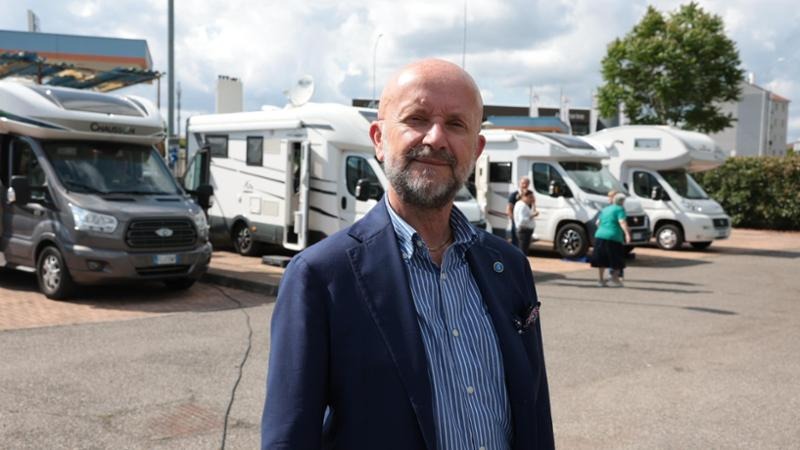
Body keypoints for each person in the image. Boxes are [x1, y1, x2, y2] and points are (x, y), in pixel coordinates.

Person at [261, 59, 554, 449]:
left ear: (477, 148)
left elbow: (535, 411)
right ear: (379, 139)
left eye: (456, 124)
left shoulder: (509, 266)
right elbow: (289, 437)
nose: (435, 138)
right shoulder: (320, 276)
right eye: (416, 118)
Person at [591, 192, 632, 287]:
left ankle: (600, 280)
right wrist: (627, 234)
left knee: (601, 259)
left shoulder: (605, 209)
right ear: (622, 202)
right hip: (613, 237)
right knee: (617, 258)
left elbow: (597, 223)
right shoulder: (620, 209)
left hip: (600, 235)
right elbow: (621, 222)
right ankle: (615, 279)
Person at [506, 176, 531, 245]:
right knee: (516, 242)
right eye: (523, 183)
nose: (524, 185)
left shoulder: (529, 195)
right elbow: (509, 209)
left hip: (526, 224)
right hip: (517, 225)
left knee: (524, 244)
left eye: (526, 184)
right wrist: (515, 221)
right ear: (519, 184)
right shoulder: (514, 195)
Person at [513, 189, 538, 255]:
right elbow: (522, 221)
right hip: (524, 231)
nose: (531, 199)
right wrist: (532, 216)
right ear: (524, 196)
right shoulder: (522, 206)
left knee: (523, 251)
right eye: (530, 197)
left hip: (525, 231)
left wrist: (533, 204)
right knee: (523, 252)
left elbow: (532, 212)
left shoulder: (524, 205)